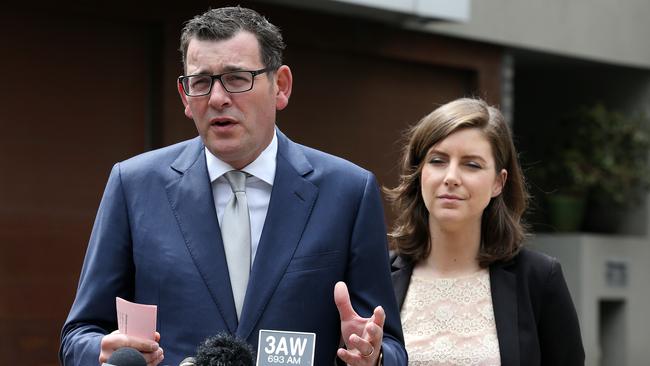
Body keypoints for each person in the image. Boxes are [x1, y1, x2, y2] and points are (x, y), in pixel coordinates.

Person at [59, 6, 406, 366]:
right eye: (201, 82)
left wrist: (374, 356)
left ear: (281, 86)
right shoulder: (134, 186)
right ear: (185, 97)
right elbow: (79, 335)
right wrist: (103, 354)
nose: (217, 98)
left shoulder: (348, 192)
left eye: (237, 78)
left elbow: (391, 346)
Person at [387, 98, 584, 365]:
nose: (451, 177)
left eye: (472, 164)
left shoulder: (538, 278)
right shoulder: (379, 276)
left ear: (498, 183)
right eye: (437, 160)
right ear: (419, 172)